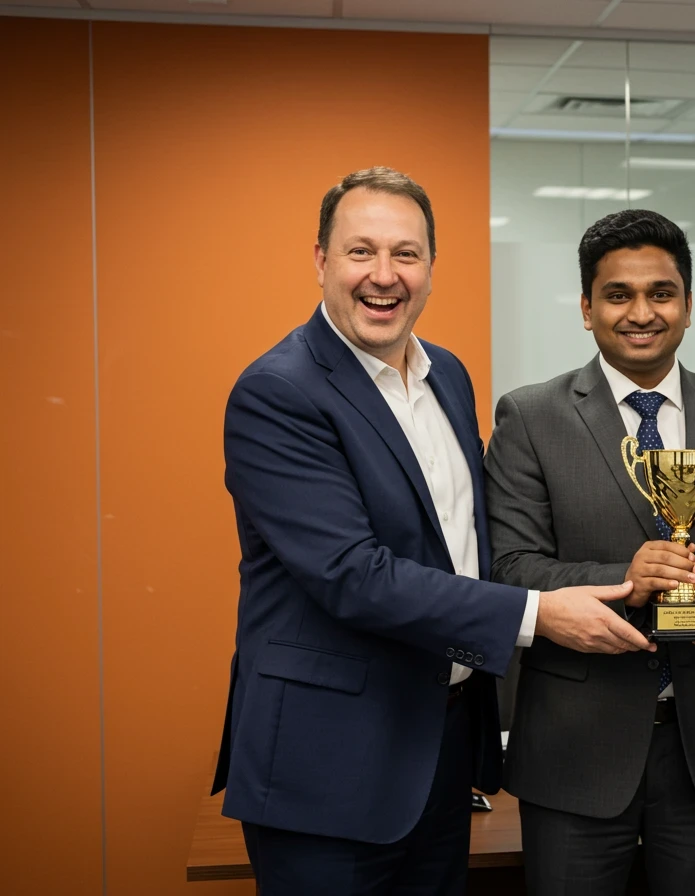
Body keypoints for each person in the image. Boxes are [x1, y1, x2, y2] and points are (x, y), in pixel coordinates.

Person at [212, 167, 650, 896]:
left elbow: (465, 543)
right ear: (320, 260)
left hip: (439, 750)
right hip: (328, 766)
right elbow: (353, 575)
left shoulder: (446, 374)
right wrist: (540, 614)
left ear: (431, 269)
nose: (384, 276)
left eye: (406, 254)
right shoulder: (278, 393)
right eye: (360, 252)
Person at [484, 209, 695, 895]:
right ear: (586, 308)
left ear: (688, 305)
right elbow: (510, 567)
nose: (641, 312)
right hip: (575, 749)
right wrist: (622, 580)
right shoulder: (530, 417)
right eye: (618, 294)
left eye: (661, 293)